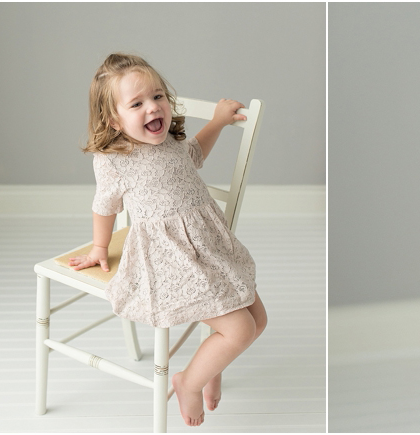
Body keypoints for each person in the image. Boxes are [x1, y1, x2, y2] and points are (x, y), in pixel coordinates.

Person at [69, 53, 267, 427]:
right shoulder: (115, 158)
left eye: (158, 96)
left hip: (208, 246)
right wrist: (99, 247)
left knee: (258, 319)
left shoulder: (173, 140)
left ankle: (211, 366)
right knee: (240, 328)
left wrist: (218, 123)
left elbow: (195, 153)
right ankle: (189, 382)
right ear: (114, 119)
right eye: (137, 103)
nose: (152, 108)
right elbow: (104, 205)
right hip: (168, 257)